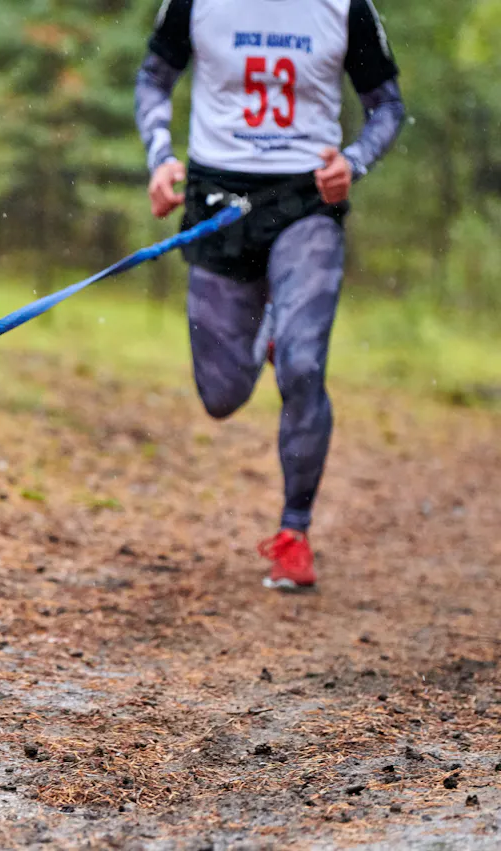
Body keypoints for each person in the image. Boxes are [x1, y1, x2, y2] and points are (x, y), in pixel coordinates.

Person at [134, 0, 405, 589]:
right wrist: (160, 158)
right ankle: (271, 330)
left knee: (304, 365)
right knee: (221, 394)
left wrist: (353, 162)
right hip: (216, 203)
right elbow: (154, 78)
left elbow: (386, 105)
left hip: (305, 204)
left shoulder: (345, 7)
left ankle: (293, 532)